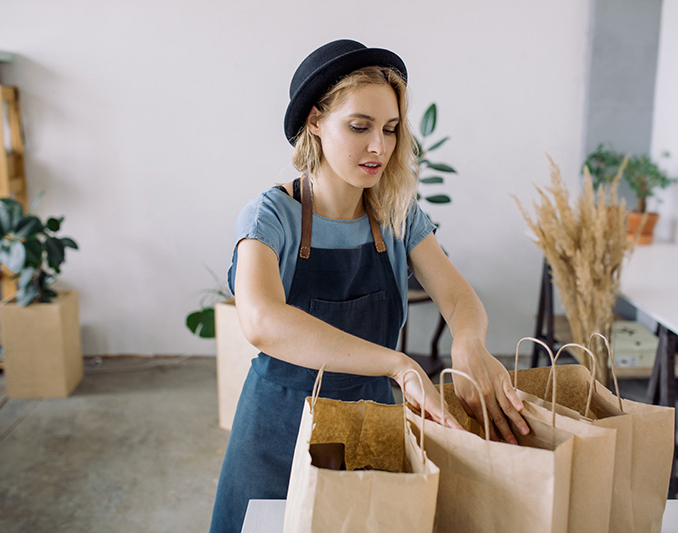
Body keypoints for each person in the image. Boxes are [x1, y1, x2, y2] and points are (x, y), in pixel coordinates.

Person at [209, 39, 529, 532]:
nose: (378, 146)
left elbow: (459, 296)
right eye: (359, 127)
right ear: (315, 121)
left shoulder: (397, 215)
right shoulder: (271, 217)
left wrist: (468, 341)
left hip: (372, 430)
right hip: (279, 436)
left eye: (391, 129)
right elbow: (261, 321)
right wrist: (397, 365)